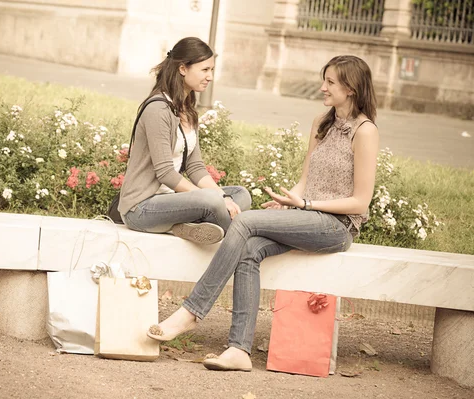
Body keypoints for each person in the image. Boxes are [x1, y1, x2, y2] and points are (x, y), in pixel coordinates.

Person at [146, 55, 379, 372]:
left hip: (336, 228)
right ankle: (239, 350)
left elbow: (360, 203)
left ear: (350, 88)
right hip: (306, 217)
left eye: (330, 82)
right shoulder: (321, 124)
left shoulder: (365, 131)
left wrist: (307, 206)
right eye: (324, 80)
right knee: (249, 250)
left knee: (243, 221)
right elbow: (307, 180)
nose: (322, 88)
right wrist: (290, 201)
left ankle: (191, 312)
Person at [117, 37, 251, 245]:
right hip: (142, 208)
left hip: (172, 201)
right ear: (182, 69)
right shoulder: (158, 109)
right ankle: (240, 236)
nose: (210, 77)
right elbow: (165, 172)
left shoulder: (188, 110)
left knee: (240, 194)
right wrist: (212, 199)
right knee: (214, 199)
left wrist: (221, 197)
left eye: (212, 70)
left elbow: (196, 167)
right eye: (205, 70)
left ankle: (186, 226)